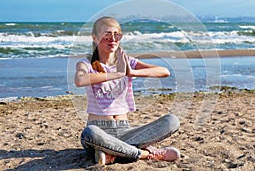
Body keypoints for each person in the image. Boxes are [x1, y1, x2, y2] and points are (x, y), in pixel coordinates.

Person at [75, 16, 180, 165]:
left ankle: (113, 153)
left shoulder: (127, 62)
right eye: (106, 34)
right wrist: (117, 74)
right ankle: (145, 154)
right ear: (95, 37)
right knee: (90, 133)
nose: (112, 38)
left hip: (125, 131)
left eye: (116, 34)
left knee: (172, 121)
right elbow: (80, 80)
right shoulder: (86, 63)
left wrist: (132, 72)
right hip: (99, 131)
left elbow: (164, 71)